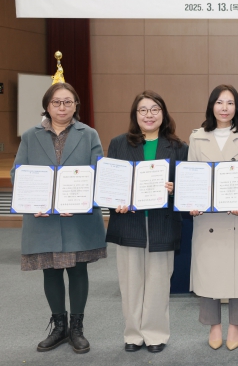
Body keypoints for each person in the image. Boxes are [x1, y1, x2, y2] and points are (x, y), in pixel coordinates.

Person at [11, 80, 106, 355]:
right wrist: (32, 201)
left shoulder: (89, 134)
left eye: (68, 102)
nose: (62, 107)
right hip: (44, 218)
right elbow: (19, 173)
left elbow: (96, 173)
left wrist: (79, 200)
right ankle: (59, 326)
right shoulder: (30, 136)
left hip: (78, 216)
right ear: (47, 106)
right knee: (50, 270)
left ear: (76, 105)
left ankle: (77, 327)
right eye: (56, 102)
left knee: (78, 270)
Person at [105, 91, 188, 354]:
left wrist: (175, 189)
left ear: (163, 114)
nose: (149, 115)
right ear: (135, 115)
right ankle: (133, 334)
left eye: (154, 109)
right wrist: (115, 200)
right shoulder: (118, 144)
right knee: (130, 283)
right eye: (143, 110)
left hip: (163, 223)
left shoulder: (178, 147)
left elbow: (187, 190)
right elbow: (110, 184)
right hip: (129, 222)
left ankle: (155, 334)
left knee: (158, 283)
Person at [188, 85, 238, 351]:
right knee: (208, 274)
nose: (225, 108)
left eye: (230, 103)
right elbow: (192, 173)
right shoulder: (197, 137)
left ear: (237, 107)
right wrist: (192, 201)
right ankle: (214, 325)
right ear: (211, 106)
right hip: (206, 218)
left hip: (236, 216)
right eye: (219, 102)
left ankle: (235, 325)